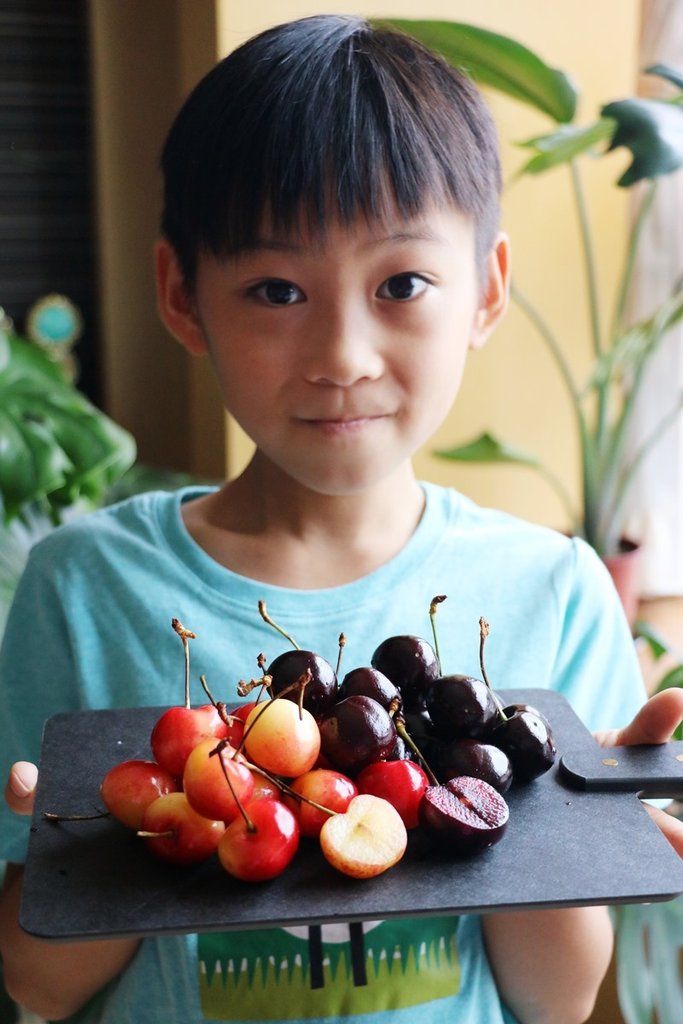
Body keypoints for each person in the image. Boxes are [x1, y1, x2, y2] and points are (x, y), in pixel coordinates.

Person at [1, 14, 682, 1024]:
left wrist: (564, 828)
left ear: (485, 291)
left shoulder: (554, 592)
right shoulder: (87, 589)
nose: (341, 353)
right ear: (182, 295)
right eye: (275, 289)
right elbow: (34, 982)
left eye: (400, 283)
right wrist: (125, 836)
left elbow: (555, 997)